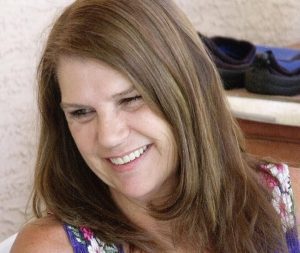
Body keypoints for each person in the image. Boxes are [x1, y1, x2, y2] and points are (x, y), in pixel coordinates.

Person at [11, 0, 300, 252]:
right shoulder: (48, 248)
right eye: (82, 112)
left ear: (186, 92)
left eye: (131, 99)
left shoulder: (290, 202)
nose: (109, 136)